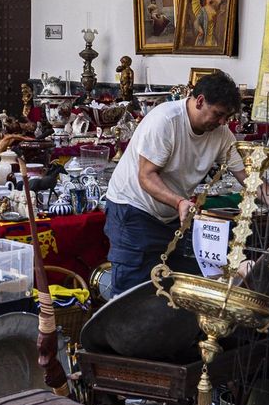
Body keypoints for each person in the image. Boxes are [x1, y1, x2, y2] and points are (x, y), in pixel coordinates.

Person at [103, 72, 245, 294]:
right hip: (133, 210)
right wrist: (179, 202)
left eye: (227, 117)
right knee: (132, 294)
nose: (222, 122)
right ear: (200, 101)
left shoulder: (221, 133)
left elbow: (247, 176)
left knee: (177, 289)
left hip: (171, 216)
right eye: (218, 114)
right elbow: (146, 176)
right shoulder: (166, 120)